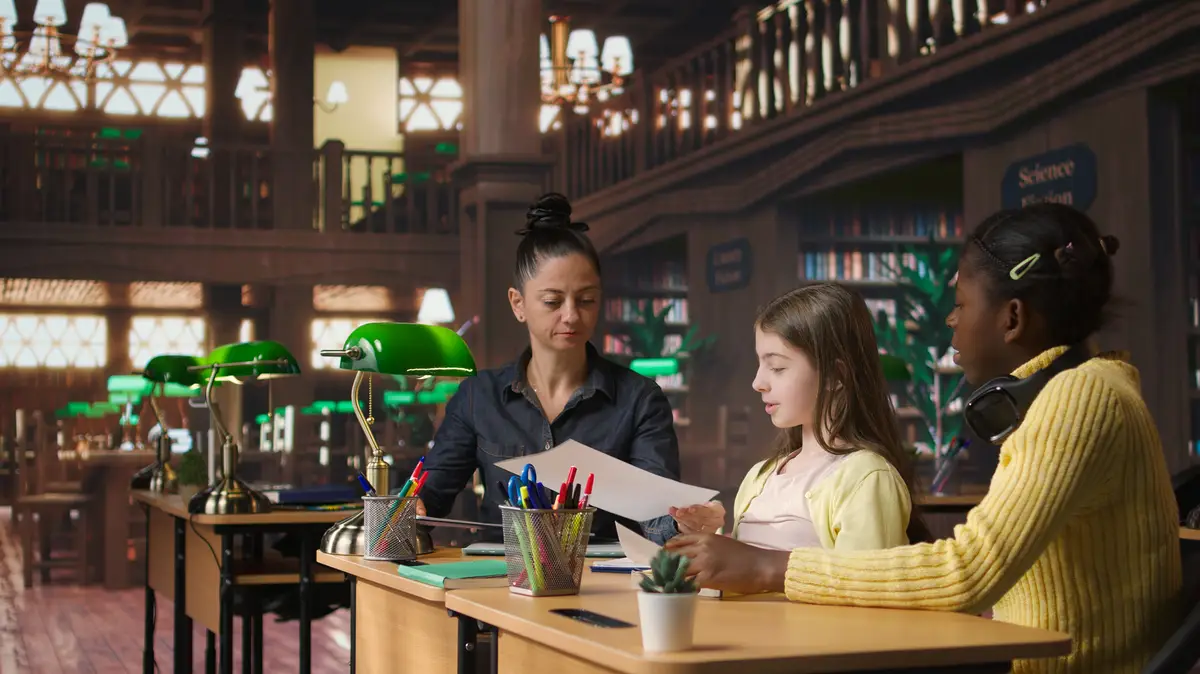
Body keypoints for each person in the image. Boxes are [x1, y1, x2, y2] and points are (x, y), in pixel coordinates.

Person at [666, 203, 1182, 673]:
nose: (951, 319)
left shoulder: (1080, 396)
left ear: (1012, 317)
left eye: (962, 303)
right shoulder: (1081, 391)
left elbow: (969, 570)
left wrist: (767, 567)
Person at [416, 192, 682, 543]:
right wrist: (413, 505)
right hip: (499, 573)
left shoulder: (639, 400)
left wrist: (682, 521)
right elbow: (431, 494)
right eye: (553, 301)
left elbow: (658, 516)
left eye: (586, 300)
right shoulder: (478, 397)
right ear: (518, 304)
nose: (571, 315)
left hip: (599, 576)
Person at [670, 283, 930, 551]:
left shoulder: (867, 478)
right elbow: (741, 566)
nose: (758, 383)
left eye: (777, 367)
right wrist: (709, 535)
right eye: (760, 364)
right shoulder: (760, 476)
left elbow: (862, 577)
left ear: (835, 376)